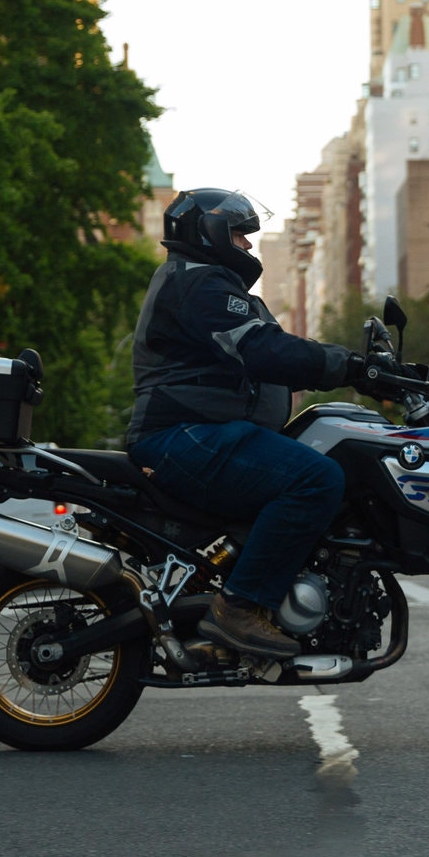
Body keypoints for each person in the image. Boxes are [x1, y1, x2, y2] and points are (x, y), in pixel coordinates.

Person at [126, 188, 362, 659]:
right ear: (207, 232)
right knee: (315, 479)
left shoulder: (203, 283)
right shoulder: (200, 283)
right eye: (238, 234)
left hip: (200, 435)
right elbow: (263, 350)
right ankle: (240, 606)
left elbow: (274, 353)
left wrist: (348, 368)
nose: (248, 246)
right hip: (183, 436)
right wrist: (350, 367)